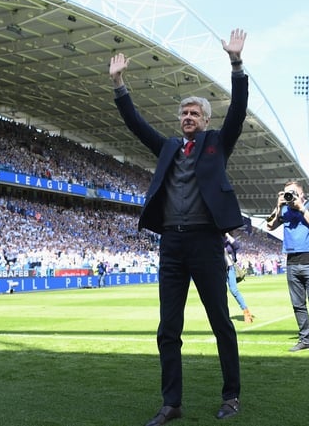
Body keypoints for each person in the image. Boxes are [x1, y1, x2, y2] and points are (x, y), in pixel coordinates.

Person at [109, 28, 247, 425]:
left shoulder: (217, 143)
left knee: (221, 322)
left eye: (194, 114)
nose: (187, 118)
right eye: (183, 114)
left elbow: (237, 109)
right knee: (168, 328)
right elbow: (136, 125)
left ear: (205, 120)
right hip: (170, 244)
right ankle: (171, 403)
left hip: (206, 243)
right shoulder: (169, 146)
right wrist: (120, 84)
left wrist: (236, 64)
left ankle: (231, 395)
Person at [266, 180, 309, 357]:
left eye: (292, 192)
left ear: (301, 194)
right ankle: (305, 339)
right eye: (286, 193)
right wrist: (278, 206)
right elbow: (269, 225)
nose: (289, 196)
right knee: (298, 305)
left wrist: (301, 207)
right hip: (292, 261)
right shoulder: (284, 209)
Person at [224, 232, 253, 324]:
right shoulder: (214, 240)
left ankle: (246, 312)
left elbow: (236, 246)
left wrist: (227, 235)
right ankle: (223, 315)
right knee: (220, 292)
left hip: (230, 268)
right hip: (219, 268)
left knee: (234, 290)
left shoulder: (228, 241)